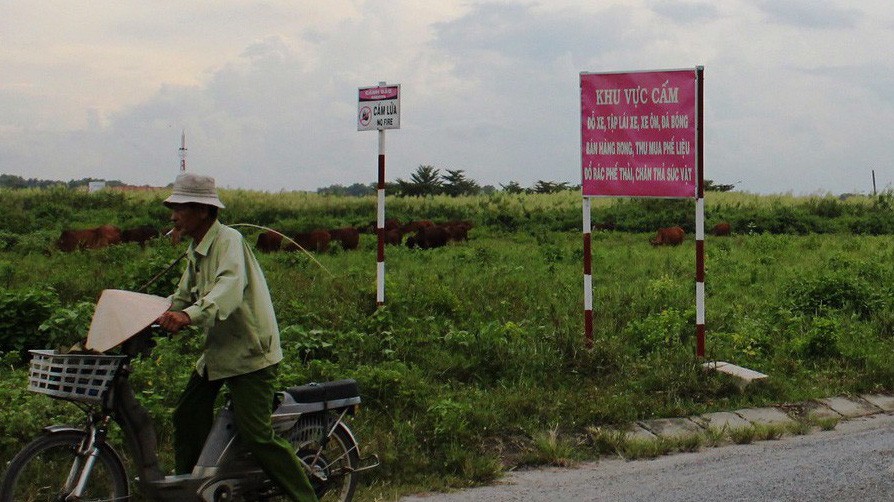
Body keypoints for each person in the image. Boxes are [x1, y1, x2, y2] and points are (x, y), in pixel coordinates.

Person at [155, 172, 317, 502]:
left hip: (249, 353)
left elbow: (227, 291)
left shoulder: (228, 241)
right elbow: (184, 293)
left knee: (257, 434)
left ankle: (305, 497)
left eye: (181, 207)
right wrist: (160, 313)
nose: (174, 215)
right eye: (173, 207)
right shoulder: (196, 248)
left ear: (203, 211)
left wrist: (187, 316)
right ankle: (192, 489)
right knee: (187, 414)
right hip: (218, 351)